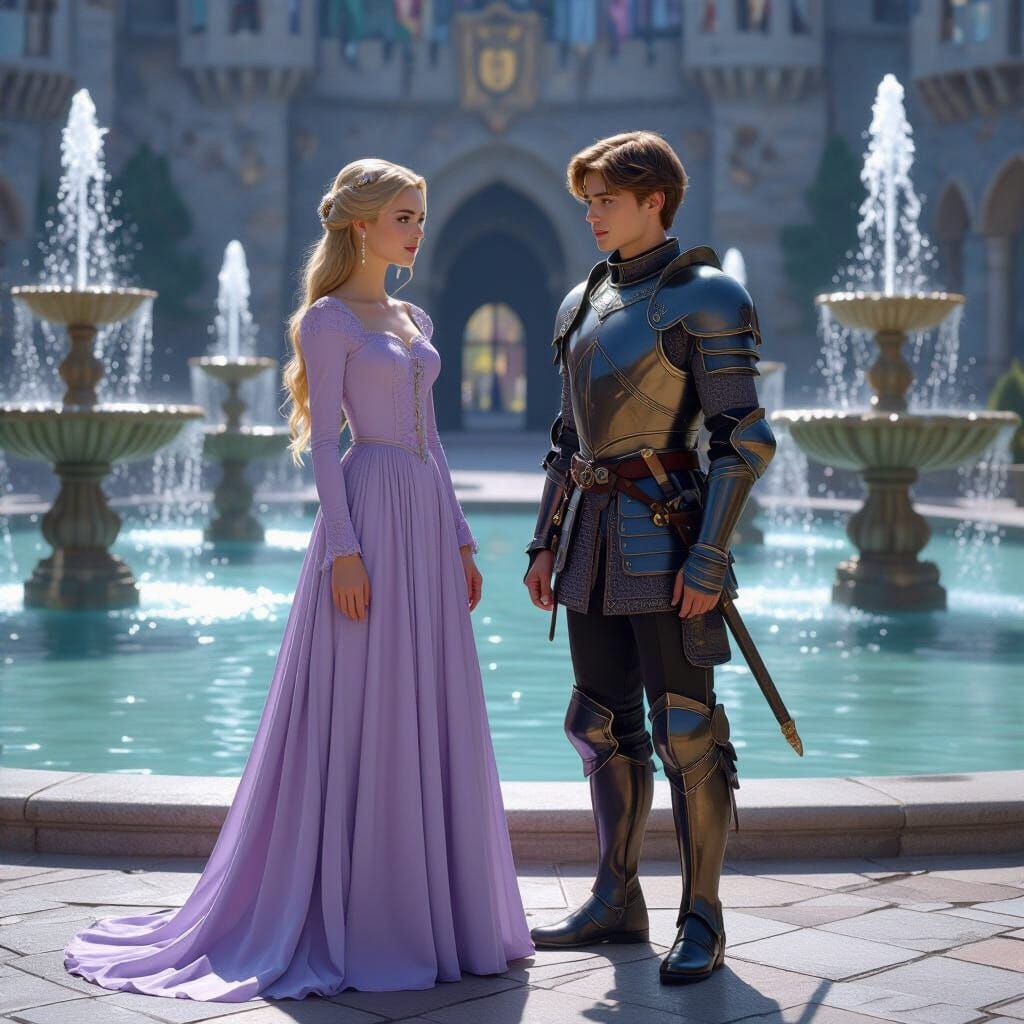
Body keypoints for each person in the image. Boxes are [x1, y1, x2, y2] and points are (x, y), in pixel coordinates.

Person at [63, 158, 534, 1001]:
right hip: (368, 514)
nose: (418, 229)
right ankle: (362, 912)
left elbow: (433, 438)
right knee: (364, 702)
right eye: (403, 215)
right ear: (360, 223)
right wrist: (344, 550)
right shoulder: (327, 321)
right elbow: (324, 442)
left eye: (421, 215)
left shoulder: (413, 315)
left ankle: (444, 913)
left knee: (428, 702)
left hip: (424, 518)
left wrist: (462, 540)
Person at [523, 131, 776, 985]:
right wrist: (543, 538)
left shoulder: (705, 296)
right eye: (587, 199)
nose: (592, 214)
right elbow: (567, 439)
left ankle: (701, 918)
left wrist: (709, 557)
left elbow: (745, 438)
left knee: (687, 730)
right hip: (592, 536)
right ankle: (615, 900)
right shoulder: (581, 301)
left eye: (606, 200)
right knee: (596, 722)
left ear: (654, 201)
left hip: (667, 534)